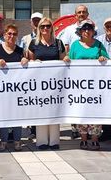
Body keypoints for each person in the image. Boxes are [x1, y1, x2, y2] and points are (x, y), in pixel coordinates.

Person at [64, 19, 111, 150]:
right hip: (79, 86)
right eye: (84, 29)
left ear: (93, 31)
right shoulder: (74, 45)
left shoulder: (98, 44)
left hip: (95, 86)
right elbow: (69, 60)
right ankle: (84, 140)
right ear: (80, 31)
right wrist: (66, 58)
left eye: (89, 29)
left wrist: (103, 59)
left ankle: (95, 139)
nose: (86, 31)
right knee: (81, 112)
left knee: (95, 112)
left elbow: (107, 60)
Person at [27, 17, 66, 150]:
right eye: (42, 26)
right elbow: (30, 60)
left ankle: (54, 141)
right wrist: (33, 63)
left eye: (48, 26)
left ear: (52, 28)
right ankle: (42, 141)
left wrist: (66, 58)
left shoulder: (59, 43)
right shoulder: (34, 43)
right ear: (39, 28)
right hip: (39, 85)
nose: (45, 28)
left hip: (55, 84)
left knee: (55, 110)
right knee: (41, 111)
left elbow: (63, 59)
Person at [0, 24, 28, 151]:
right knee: (4, 116)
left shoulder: (20, 50)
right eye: (9, 34)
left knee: (17, 116)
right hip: (2, 90)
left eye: (14, 34)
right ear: (5, 35)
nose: (11, 36)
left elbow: (26, 63)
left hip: (17, 90)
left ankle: (17, 141)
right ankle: (4, 142)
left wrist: (25, 60)